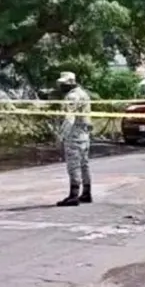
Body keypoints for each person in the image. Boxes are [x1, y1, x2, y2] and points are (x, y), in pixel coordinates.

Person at [55, 71, 93, 207]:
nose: (61, 86)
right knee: (84, 164)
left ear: (71, 83)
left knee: (73, 166)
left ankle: (74, 195)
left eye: (63, 84)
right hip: (84, 135)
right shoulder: (84, 94)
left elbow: (69, 118)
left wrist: (61, 136)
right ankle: (87, 192)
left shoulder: (72, 96)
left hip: (74, 135)